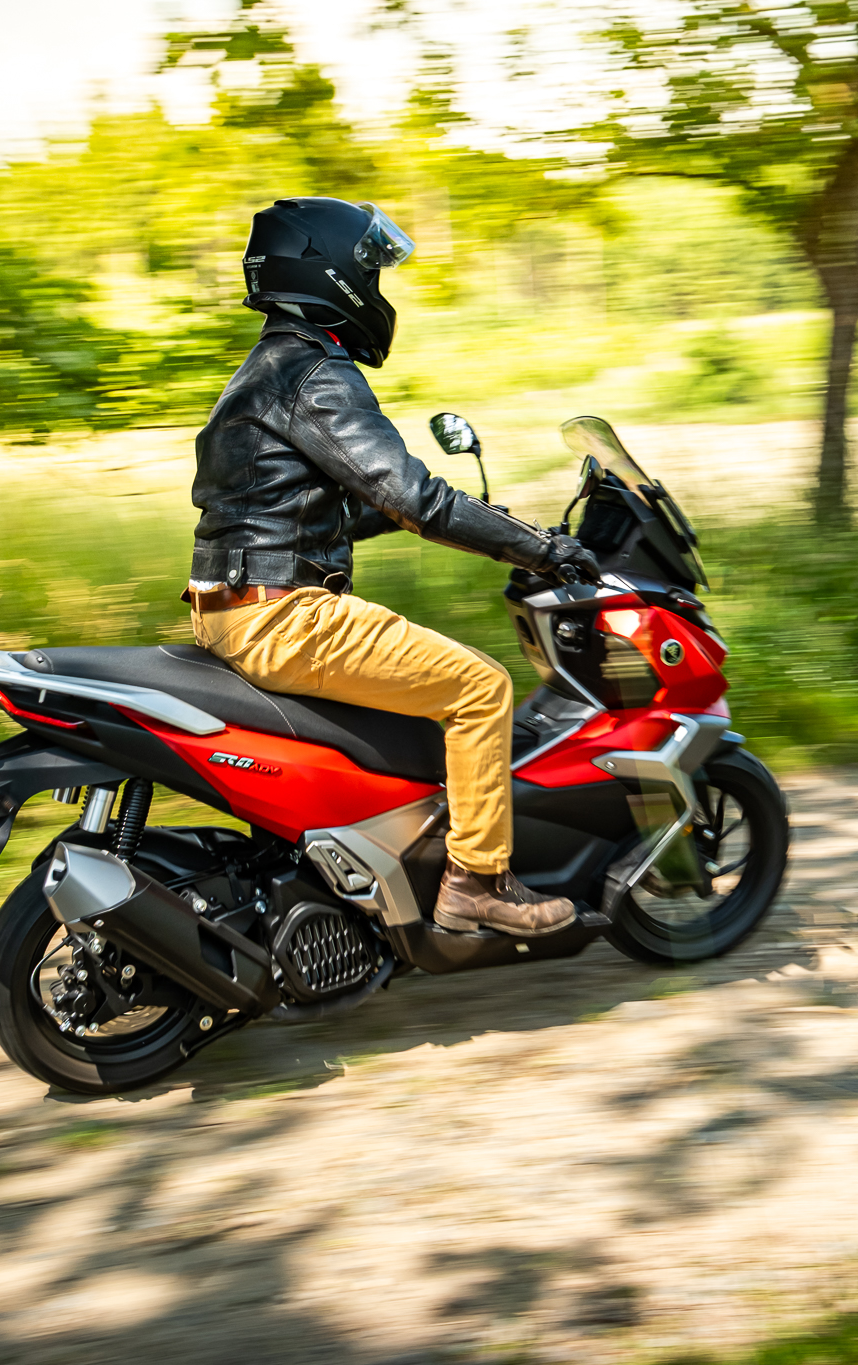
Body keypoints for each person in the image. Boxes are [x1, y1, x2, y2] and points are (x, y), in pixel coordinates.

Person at [186, 196, 600, 938]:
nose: (377, 288)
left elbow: (316, 511)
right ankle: (477, 882)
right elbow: (415, 497)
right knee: (479, 689)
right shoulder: (315, 372)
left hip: (231, 608)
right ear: (331, 273)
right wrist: (539, 547)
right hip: (286, 617)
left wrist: (461, 516)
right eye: (370, 271)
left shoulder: (263, 370)